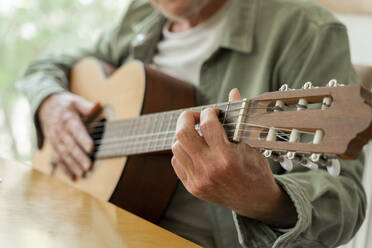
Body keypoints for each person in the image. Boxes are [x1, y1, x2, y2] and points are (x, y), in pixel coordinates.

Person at [17, 0, 366, 247]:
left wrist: (265, 200)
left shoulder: (304, 30)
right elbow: (47, 66)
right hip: (98, 227)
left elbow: (346, 199)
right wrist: (51, 102)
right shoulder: (141, 16)